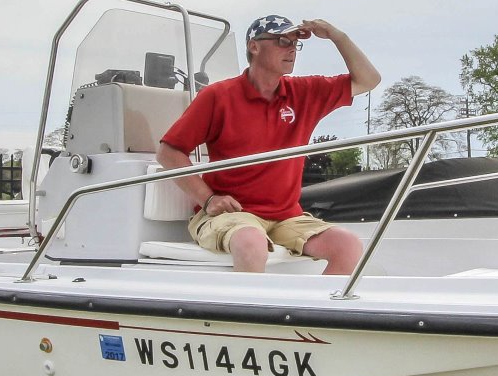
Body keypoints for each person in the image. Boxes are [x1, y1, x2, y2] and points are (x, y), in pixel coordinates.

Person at [157, 15, 381, 274]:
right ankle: (244, 315)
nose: (291, 50)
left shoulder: (305, 92)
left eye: (295, 43)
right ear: (254, 46)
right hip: (233, 215)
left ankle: (312, 314)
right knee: (251, 241)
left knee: (348, 245)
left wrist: (336, 35)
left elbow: (369, 80)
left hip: (287, 216)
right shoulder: (218, 96)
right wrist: (207, 199)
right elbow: (168, 152)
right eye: (283, 41)